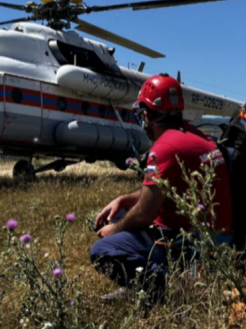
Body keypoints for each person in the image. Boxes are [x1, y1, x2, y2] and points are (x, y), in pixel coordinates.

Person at [89, 74, 233, 299]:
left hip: (189, 245)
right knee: (125, 213)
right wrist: (124, 200)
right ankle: (150, 280)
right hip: (217, 239)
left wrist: (112, 231)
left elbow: (144, 214)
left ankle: (170, 290)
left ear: (146, 115)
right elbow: (166, 188)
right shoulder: (198, 137)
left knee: (102, 250)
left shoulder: (165, 147)